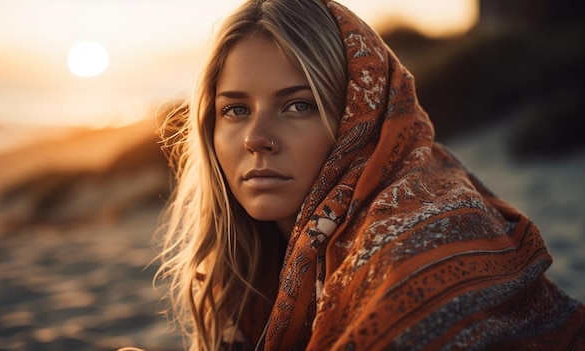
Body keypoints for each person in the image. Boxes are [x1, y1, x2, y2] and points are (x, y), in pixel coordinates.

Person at [155, 0, 585, 350]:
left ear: (358, 116)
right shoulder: (260, 256)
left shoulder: (418, 242)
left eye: (298, 105)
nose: (256, 139)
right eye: (236, 110)